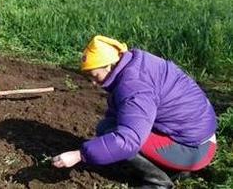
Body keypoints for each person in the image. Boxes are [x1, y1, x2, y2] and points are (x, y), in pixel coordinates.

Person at [52, 35, 217, 189]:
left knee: (117, 135)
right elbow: (120, 112)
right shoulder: (133, 64)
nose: (93, 82)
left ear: (109, 65)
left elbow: (128, 140)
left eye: (95, 75)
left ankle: (159, 182)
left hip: (196, 150)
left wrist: (80, 155)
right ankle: (175, 169)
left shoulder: (134, 87)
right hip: (193, 136)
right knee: (107, 128)